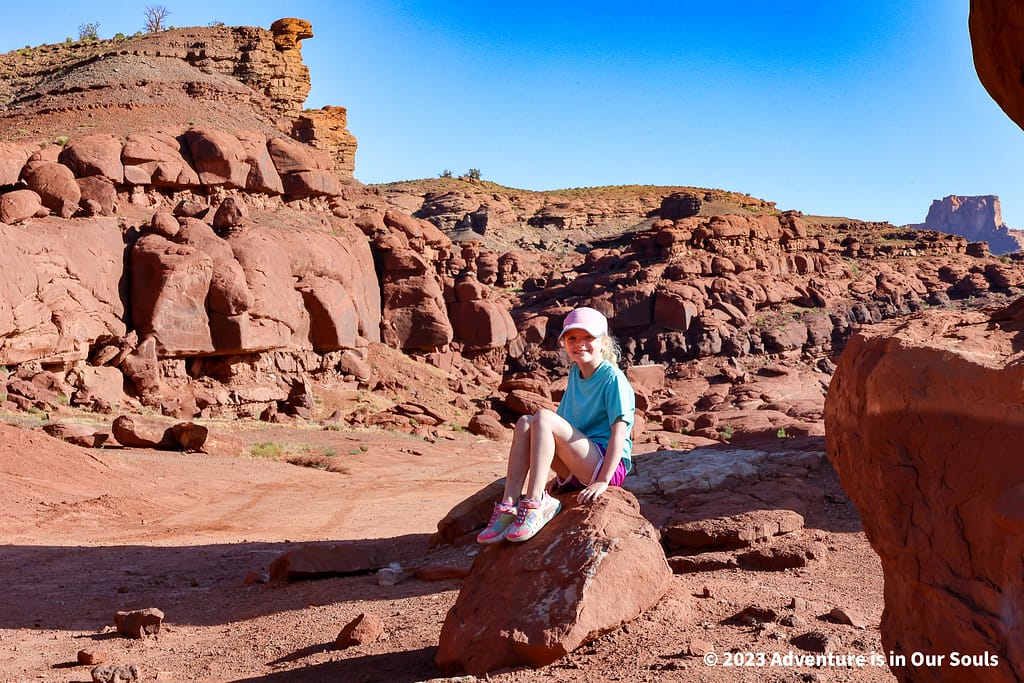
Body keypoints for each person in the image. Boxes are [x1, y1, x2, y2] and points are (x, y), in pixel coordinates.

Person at [477, 306, 636, 544]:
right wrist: (558, 473)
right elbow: (561, 426)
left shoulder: (612, 378)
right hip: (579, 465)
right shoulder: (575, 373)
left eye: (588, 337)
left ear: (603, 343)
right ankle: (508, 507)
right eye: (572, 338)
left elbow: (620, 434)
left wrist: (603, 480)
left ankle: (535, 502)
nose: (579, 343)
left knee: (542, 416)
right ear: (564, 343)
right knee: (525, 423)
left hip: (604, 466)